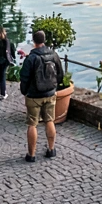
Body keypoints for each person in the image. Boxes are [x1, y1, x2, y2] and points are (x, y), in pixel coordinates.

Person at [18, 29, 65, 162]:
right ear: (44, 40)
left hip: (34, 95)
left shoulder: (31, 58)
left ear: (34, 41)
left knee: (32, 124)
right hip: (50, 93)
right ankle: (51, 150)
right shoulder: (54, 55)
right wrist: (54, 87)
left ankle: (31, 155)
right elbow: (60, 74)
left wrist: (25, 91)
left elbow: (24, 77)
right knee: (50, 121)